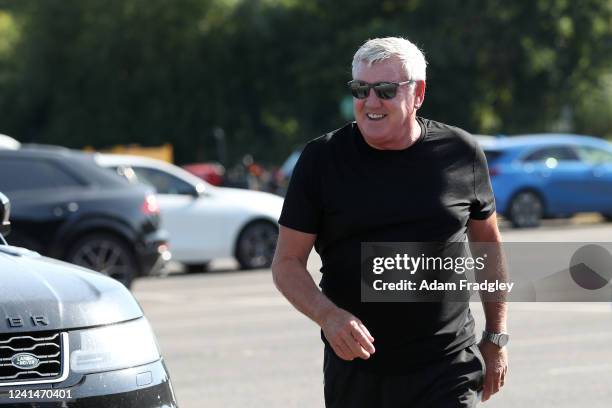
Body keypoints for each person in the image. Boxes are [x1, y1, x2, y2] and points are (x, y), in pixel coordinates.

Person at [272, 37, 508, 407]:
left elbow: (488, 249)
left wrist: (496, 337)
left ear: (419, 93)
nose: (370, 102)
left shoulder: (461, 153)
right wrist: (328, 316)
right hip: (359, 371)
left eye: (384, 90)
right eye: (360, 89)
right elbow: (286, 264)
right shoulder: (321, 161)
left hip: (447, 366)